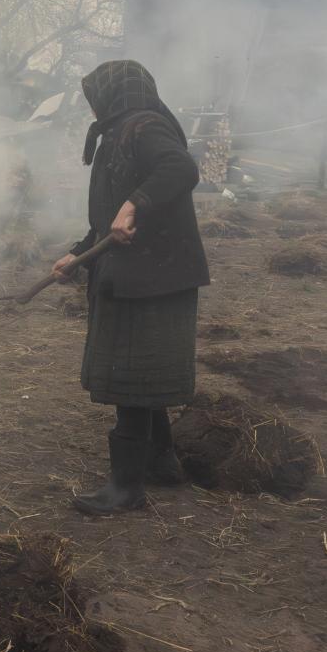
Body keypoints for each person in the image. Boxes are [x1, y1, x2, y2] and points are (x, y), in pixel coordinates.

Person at [53, 59, 209, 515]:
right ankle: (161, 464)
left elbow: (180, 168)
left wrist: (134, 203)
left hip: (154, 278)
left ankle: (126, 490)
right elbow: (108, 218)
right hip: (137, 274)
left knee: (131, 375)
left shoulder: (144, 126)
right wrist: (78, 251)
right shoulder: (116, 133)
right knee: (144, 374)